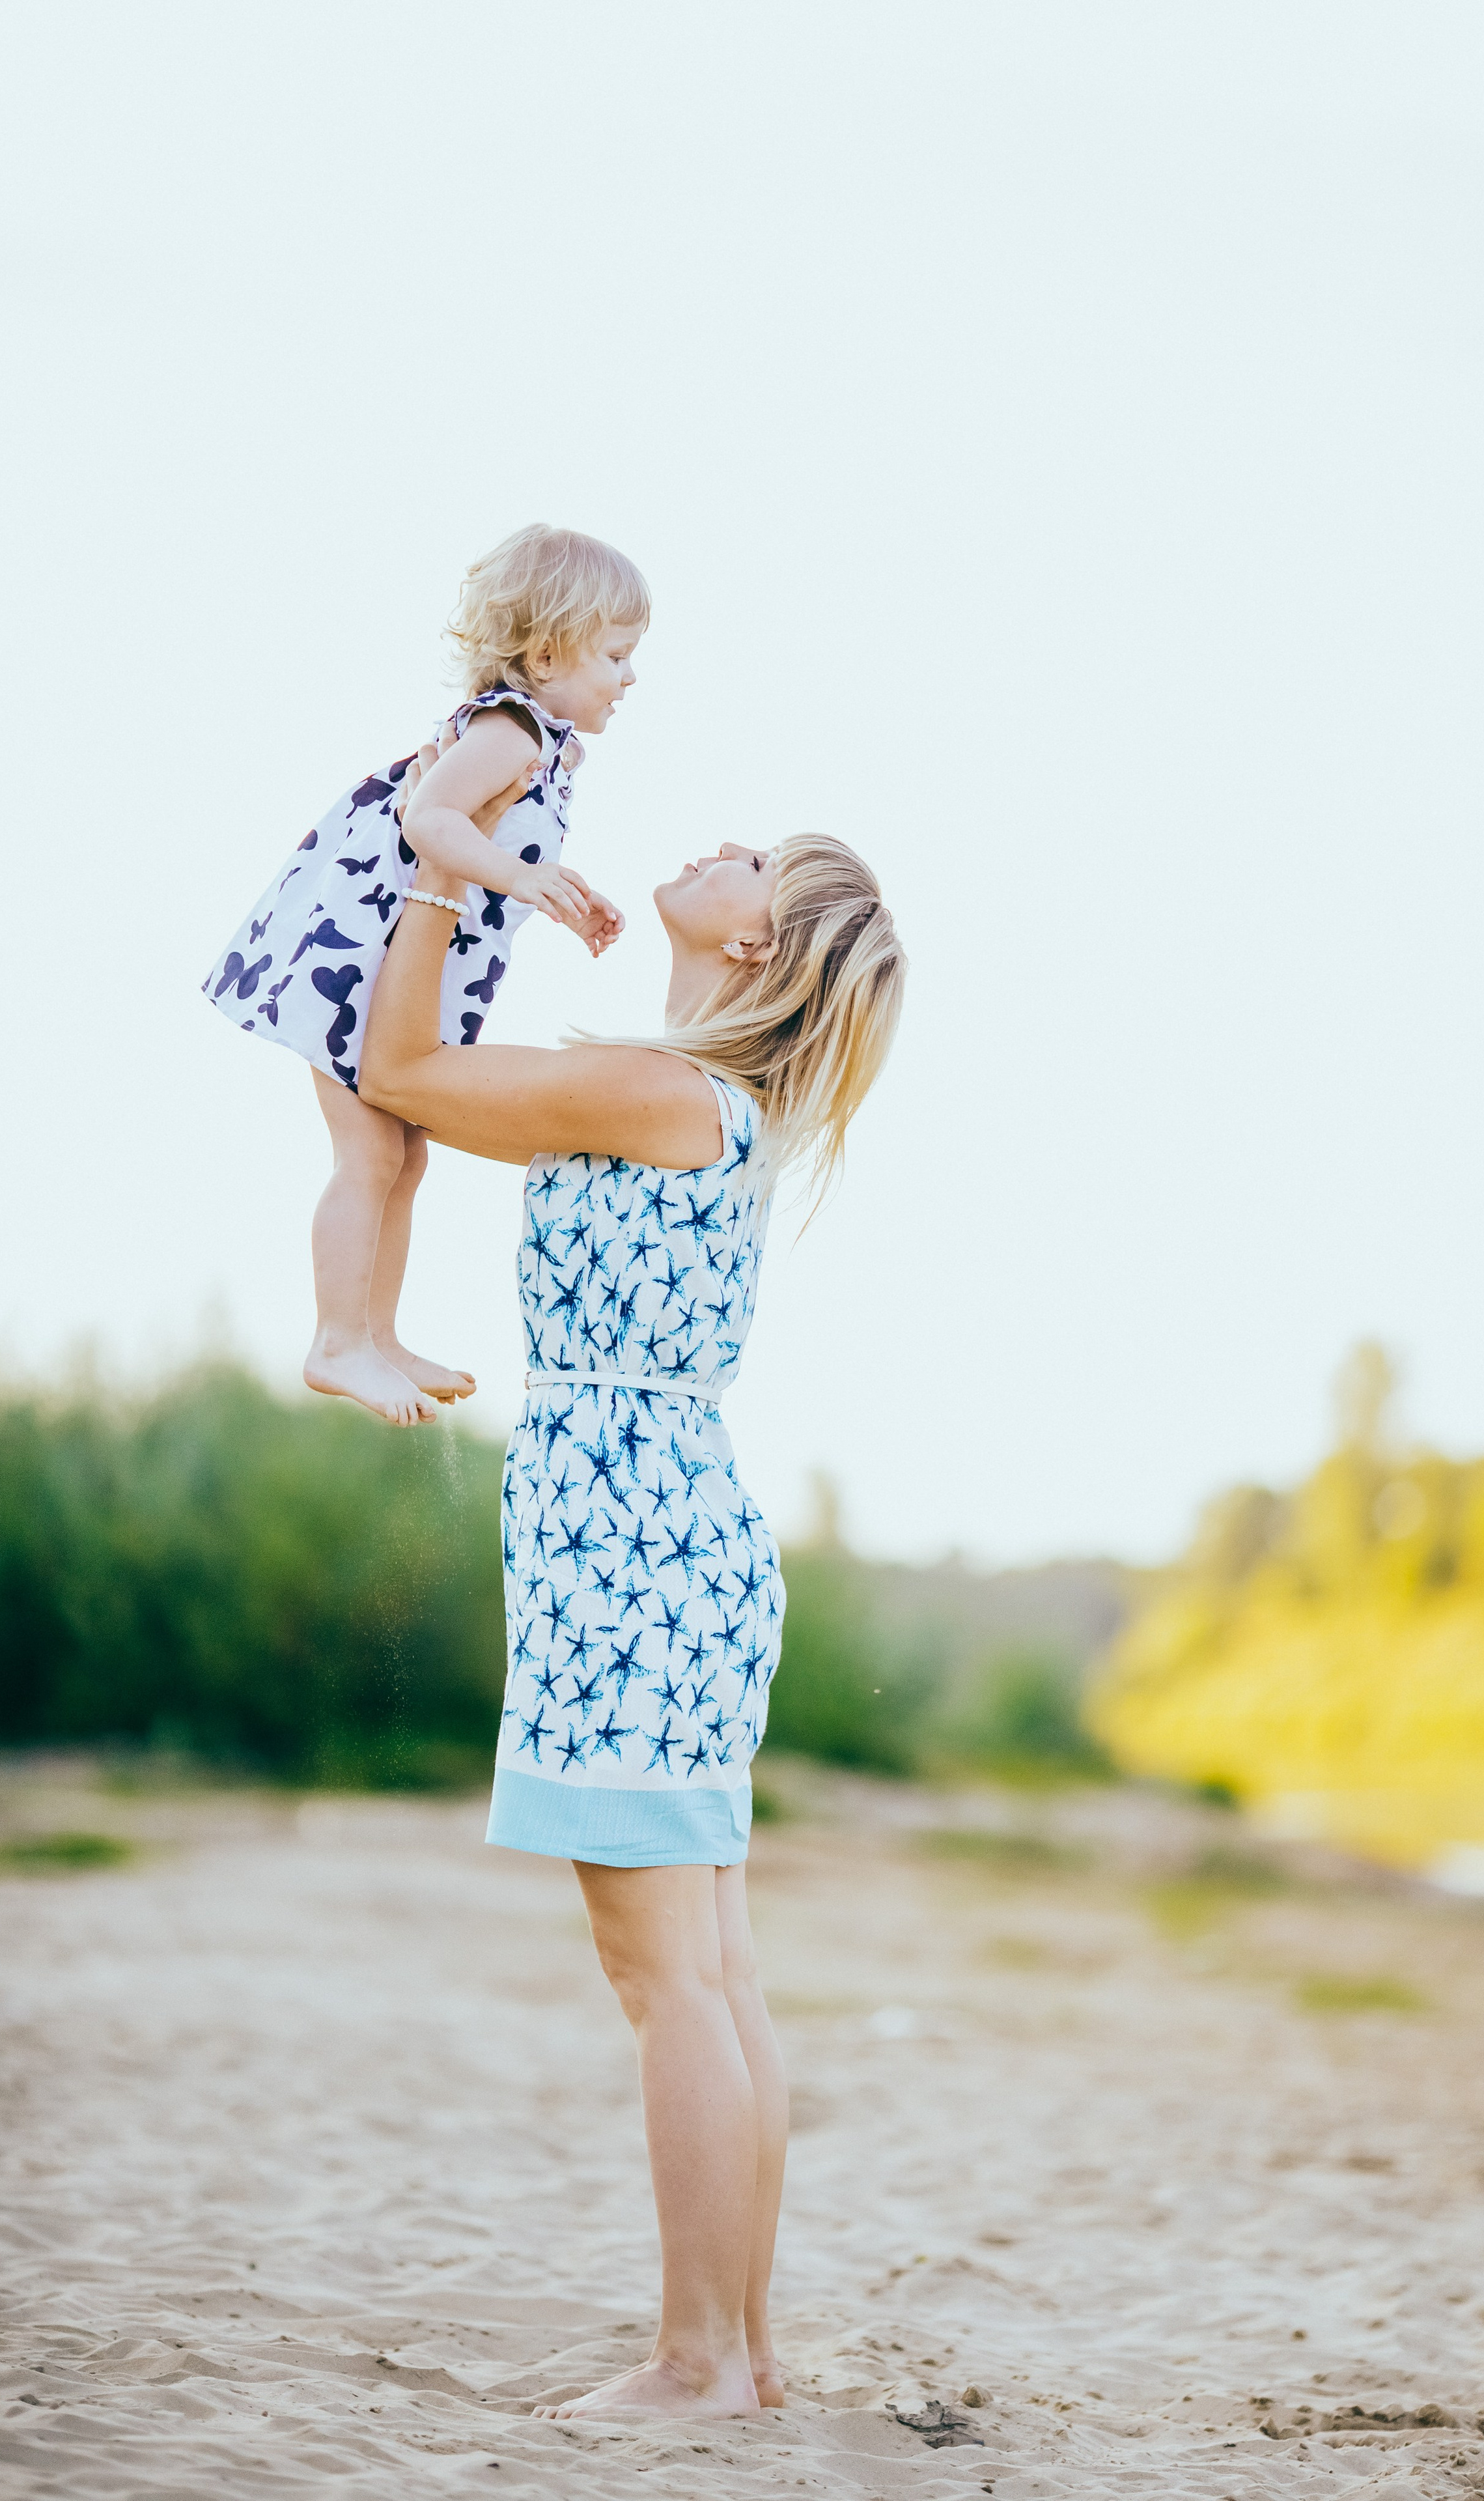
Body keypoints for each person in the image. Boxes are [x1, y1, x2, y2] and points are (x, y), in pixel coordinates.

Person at [359, 770, 906, 2420]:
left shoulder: (656, 1091)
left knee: (667, 1979)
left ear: (754, 934)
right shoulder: (708, 1105)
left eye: (748, 857)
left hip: (627, 1539)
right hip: (673, 1530)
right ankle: (741, 2357)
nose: (709, 844)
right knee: (713, 1973)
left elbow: (398, 1074)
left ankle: (696, 2360)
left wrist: (443, 868)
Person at [201, 524, 646, 1426]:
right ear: (549, 650)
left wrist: (560, 892)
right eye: (616, 655)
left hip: (402, 964)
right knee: (369, 1152)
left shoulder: (542, 747)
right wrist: (522, 876)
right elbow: (428, 818)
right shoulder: (508, 731)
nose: (629, 676)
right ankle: (337, 1340)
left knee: (406, 1155)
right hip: (361, 958)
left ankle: (377, 1332)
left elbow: (487, 844)